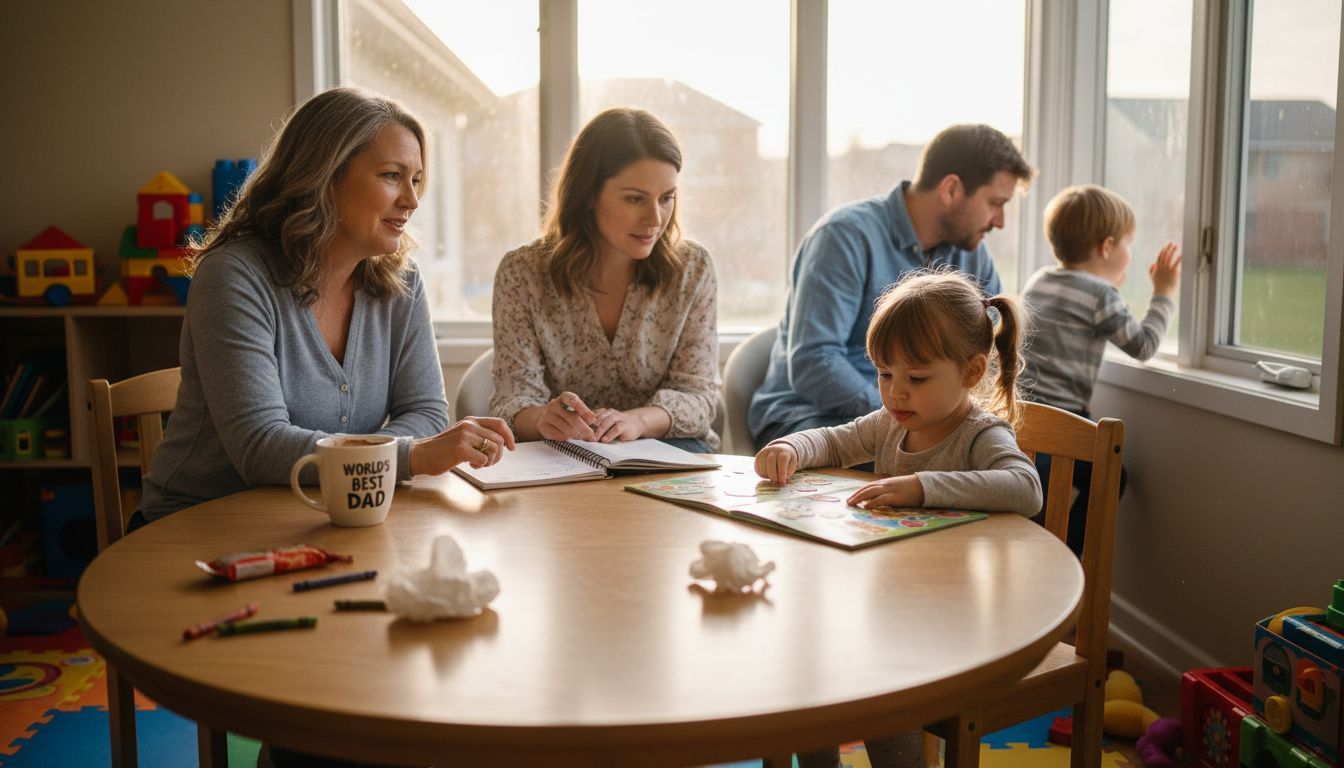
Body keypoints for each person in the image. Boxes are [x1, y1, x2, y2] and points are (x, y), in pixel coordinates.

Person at [135, 86, 515, 527]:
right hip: (196, 526)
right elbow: (259, 446)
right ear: (324, 176)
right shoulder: (233, 277)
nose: (412, 201)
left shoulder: (402, 283)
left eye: (415, 180)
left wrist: (382, 459)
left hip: (328, 518)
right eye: (391, 176)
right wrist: (410, 455)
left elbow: (426, 413)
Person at [754, 269, 1041, 768]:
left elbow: (1026, 487)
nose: (895, 394)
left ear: (972, 372)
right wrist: (790, 446)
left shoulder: (979, 433)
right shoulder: (891, 423)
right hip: (884, 606)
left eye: (917, 378)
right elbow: (834, 440)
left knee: (882, 706)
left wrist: (922, 487)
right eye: (885, 374)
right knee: (804, 675)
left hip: (948, 623)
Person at [749, 123, 1034, 450]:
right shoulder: (844, 238)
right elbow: (814, 362)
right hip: (812, 417)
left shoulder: (972, 255)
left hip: (925, 419)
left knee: (1042, 461)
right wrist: (904, 416)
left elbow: (989, 351)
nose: (1000, 221)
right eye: (995, 203)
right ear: (951, 189)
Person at [490, 107, 720, 452]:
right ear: (587, 195)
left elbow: (699, 399)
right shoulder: (522, 273)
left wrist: (637, 422)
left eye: (666, 198)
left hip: (672, 450)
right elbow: (510, 401)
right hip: (564, 456)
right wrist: (543, 419)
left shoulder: (693, 268)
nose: (655, 218)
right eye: (635, 199)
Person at [1021, 184, 1180, 554]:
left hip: (1022, 415)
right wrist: (1164, 293)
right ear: (1107, 247)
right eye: (1128, 244)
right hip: (1063, 420)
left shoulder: (1039, 280)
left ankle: (1046, 558)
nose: (1130, 254)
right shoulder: (1100, 295)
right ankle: (1066, 557)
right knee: (1108, 478)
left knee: (1031, 506)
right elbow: (1143, 345)